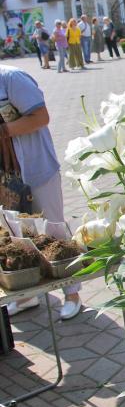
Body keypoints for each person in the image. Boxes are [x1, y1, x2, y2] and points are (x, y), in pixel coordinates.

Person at [1, 65, 82, 320]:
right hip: (7, 178)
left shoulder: (11, 78)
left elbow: (41, 117)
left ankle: (72, 293)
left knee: (54, 230)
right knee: (17, 234)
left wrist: (3, 131)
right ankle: (26, 295)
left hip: (36, 168)